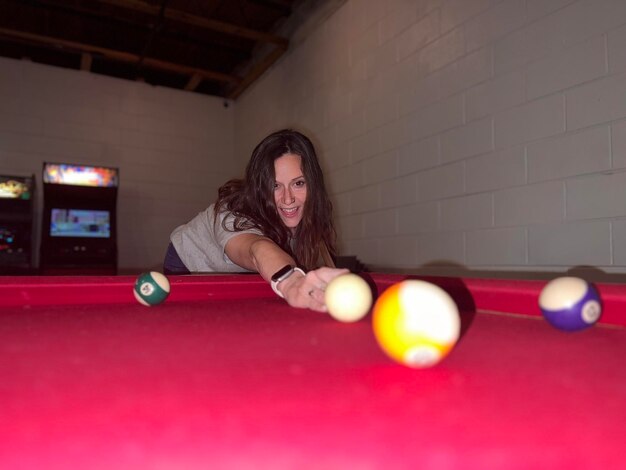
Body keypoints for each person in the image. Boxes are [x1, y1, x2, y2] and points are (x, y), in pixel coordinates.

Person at [163, 129, 349, 312]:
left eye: (298, 183)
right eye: (275, 186)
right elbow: (256, 249)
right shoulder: (233, 213)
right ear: (260, 187)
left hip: (243, 269)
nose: (288, 199)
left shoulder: (311, 211)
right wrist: (292, 281)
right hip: (187, 264)